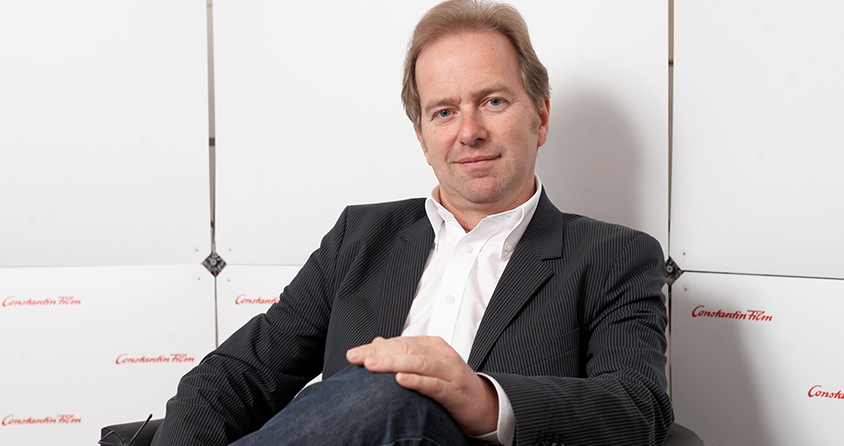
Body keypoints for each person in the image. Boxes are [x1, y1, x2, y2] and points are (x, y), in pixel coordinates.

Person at [152, 1, 673, 445]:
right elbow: (234, 378)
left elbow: (638, 407)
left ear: (540, 117)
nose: (469, 132)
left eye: (492, 101)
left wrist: (483, 399)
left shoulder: (613, 256)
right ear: (423, 139)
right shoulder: (360, 238)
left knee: (391, 390)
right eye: (444, 112)